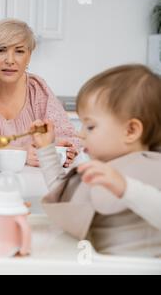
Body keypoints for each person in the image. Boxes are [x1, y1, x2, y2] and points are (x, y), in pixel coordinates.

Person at [31, 64, 161, 257]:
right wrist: (46, 149)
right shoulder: (105, 168)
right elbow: (66, 197)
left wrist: (126, 188)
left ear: (131, 131)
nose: (80, 133)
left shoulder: (151, 169)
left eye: (90, 127)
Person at [0, 18, 79, 167]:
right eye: (1, 50)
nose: (10, 60)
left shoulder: (36, 87)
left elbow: (69, 136)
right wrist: (22, 152)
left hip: (33, 182)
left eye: (19, 51)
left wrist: (61, 147)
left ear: (29, 56)